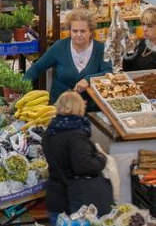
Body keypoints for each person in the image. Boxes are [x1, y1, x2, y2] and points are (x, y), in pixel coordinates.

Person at [42, 91, 114, 226]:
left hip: (56, 198)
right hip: (74, 202)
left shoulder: (50, 131)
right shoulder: (75, 134)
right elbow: (84, 166)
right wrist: (101, 158)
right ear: (79, 107)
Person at [25, 8, 112, 102]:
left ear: (91, 32)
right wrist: (21, 86)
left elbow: (108, 72)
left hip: (90, 108)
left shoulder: (101, 49)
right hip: (60, 106)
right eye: (75, 31)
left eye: (83, 31)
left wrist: (88, 80)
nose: (78, 35)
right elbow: (37, 68)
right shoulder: (59, 47)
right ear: (69, 31)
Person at [124, 6, 156, 71]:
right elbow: (128, 69)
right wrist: (129, 51)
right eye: (143, 24)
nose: (144, 29)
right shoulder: (143, 43)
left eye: (149, 26)